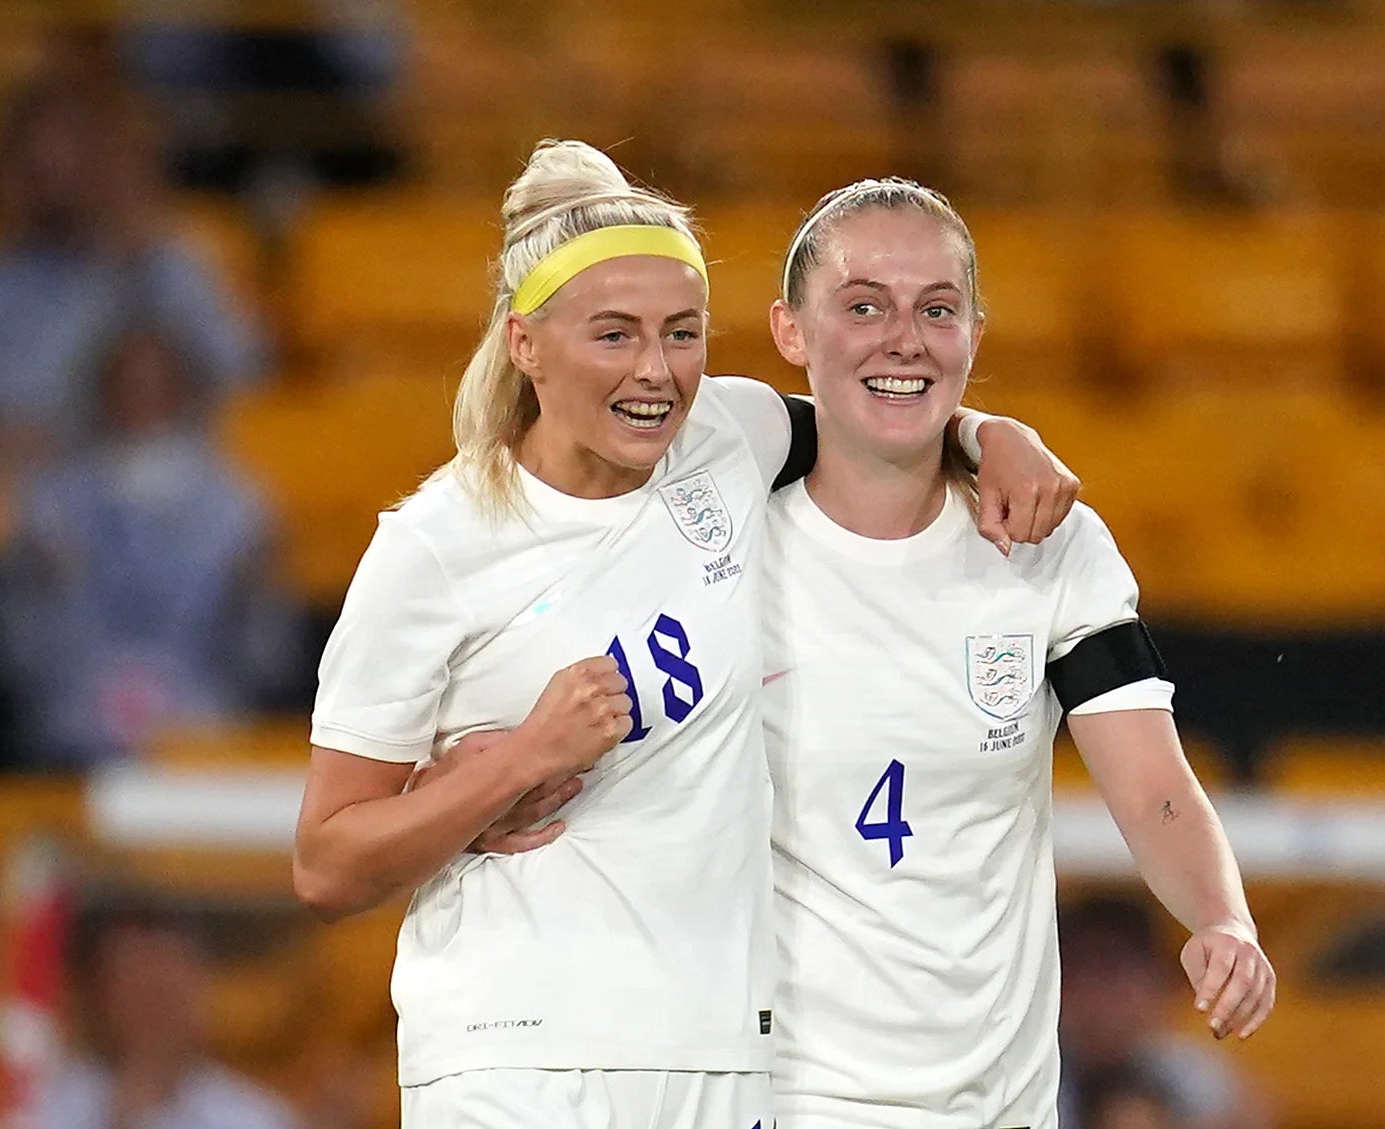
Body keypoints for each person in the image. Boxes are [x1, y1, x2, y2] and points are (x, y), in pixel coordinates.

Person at [292, 139, 1079, 1128]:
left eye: (682, 333)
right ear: (524, 342)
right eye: (614, 336)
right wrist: (518, 761)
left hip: (725, 1056)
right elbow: (325, 862)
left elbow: (880, 422)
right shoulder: (435, 548)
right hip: (517, 1055)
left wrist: (995, 435)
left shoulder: (727, 436)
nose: (657, 372)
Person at [756, 178, 1276, 1129]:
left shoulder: (1055, 547)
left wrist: (1222, 918)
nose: (903, 337)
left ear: (975, 335)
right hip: (782, 1095)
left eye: (937, 309)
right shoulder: (722, 542)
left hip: (1000, 1105)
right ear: (791, 331)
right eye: (863, 305)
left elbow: (1155, 785)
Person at [0, 327, 296, 768]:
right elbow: (17, 654)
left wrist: (252, 596)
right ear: (99, 394)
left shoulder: (236, 511)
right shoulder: (50, 505)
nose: (141, 402)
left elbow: (264, 662)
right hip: (71, 735)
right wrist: (41, 585)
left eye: (156, 387)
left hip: (202, 731)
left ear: (184, 393)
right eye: (127, 387)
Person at [0, 71, 263, 474]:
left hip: (155, 484)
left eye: (68, 148)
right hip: (28, 493)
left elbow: (243, 375)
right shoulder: (0, 281)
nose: (51, 169)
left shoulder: (168, 261)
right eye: (35, 155)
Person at [34, 898, 298, 1129]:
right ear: (101, 996)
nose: (155, 1012)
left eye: (167, 989)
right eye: (138, 989)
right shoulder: (47, 1102)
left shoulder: (251, 1117)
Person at [1058, 894, 1272, 1129]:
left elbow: (1250, 1115)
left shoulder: (1188, 1068)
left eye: (1113, 976)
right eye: (1080, 976)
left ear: (1156, 982)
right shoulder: (1030, 1069)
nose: (1097, 999)